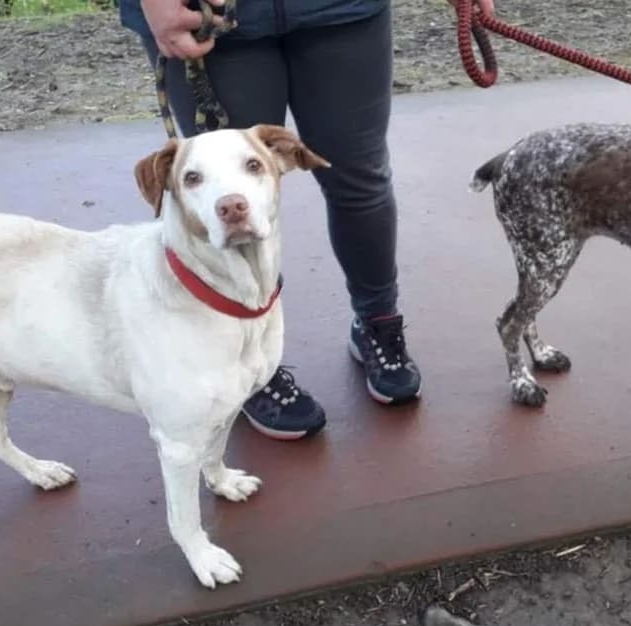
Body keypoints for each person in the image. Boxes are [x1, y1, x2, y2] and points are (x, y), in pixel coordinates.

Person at [117, 0, 493, 440]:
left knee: (358, 177)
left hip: (341, 10)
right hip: (209, 15)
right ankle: (247, 360)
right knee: (230, 201)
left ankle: (377, 320)